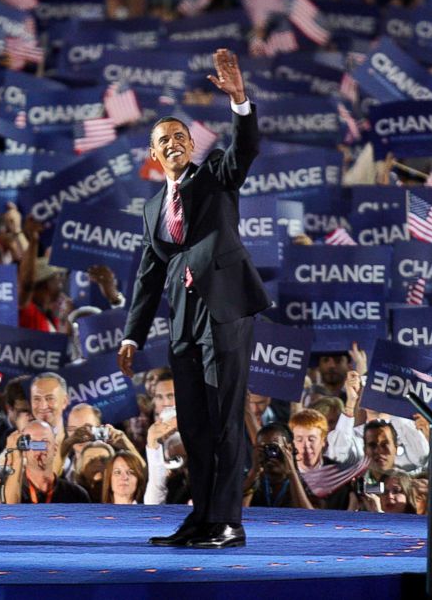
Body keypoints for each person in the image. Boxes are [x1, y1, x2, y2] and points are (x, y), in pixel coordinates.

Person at [118, 48, 270, 549]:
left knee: (225, 421)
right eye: (165, 140)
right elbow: (148, 273)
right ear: (153, 154)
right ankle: (202, 516)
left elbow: (244, 149)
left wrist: (240, 101)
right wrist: (132, 336)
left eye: (181, 136)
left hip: (224, 313)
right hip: (183, 324)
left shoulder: (215, 179)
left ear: (191, 145)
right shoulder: (151, 208)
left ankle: (229, 521)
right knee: (195, 425)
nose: (175, 143)